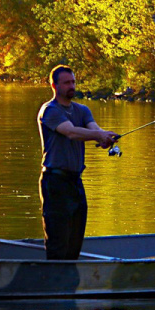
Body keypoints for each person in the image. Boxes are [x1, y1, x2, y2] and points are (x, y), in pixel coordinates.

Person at [38, 65, 118, 260]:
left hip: (75, 182)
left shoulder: (82, 110)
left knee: (75, 242)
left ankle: (71, 276)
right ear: (54, 86)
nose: (72, 86)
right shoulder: (50, 110)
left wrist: (105, 137)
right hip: (54, 182)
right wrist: (98, 135)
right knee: (58, 243)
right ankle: (55, 277)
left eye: (73, 82)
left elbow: (94, 129)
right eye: (66, 83)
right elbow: (71, 132)